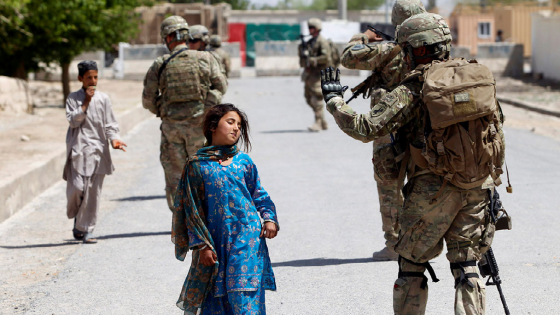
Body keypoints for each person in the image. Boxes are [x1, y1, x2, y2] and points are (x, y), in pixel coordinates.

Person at [321, 13, 505, 314]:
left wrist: (334, 102)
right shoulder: (478, 78)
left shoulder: (415, 88)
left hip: (431, 191)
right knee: (467, 266)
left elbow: (367, 128)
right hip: (477, 189)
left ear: (414, 50)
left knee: (411, 266)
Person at [172, 104, 279, 315]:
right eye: (230, 122)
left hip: (247, 241)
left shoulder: (244, 162)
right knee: (217, 304)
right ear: (213, 126)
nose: (236, 129)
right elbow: (192, 211)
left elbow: (259, 194)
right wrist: (202, 245)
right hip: (215, 245)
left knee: (245, 298)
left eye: (239, 125)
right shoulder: (197, 165)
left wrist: (269, 218)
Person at [340, 0, 426, 261]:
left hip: (388, 124)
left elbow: (347, 56)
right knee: (423, 182)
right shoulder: (434, 49)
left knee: (390, 185)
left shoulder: (388, 49)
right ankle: (424, 241)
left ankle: (394, 244)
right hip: (423, 125)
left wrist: (363, 36)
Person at [142, 16, 227, 212]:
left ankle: (183, 221)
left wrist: (164, 111)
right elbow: (220, 86)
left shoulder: (160, 64)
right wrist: (206, 109)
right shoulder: (206, 58)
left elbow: (148, 100)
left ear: (168, 37)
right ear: (186, 35)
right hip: (200, 128)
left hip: (172, 130)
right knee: (206, 173)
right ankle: (209, 218)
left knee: (176, 177)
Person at [63, 60, 127, 244]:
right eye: (89, 77)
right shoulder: (73, 98)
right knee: (77, 189)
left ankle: (86, 229)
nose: (93, 81)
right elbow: (73, 121)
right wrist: (85, 102)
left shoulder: (104, 99)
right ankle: (78, 218)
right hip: (78, 151)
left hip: (98, 152)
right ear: (80, 78)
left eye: (95, 77)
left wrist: (114, 139)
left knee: (93, 193)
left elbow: (110, 123)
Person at [298, 18, 332, 132]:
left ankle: (318, 122)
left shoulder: (322, 42)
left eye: (311, 28)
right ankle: (322, 120)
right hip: (310, 74)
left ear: (317, 29)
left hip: (319, 74)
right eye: (309, 27)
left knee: (316, 98)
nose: (309, 30)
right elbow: (303, 59)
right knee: (308, 98)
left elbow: (326, 57)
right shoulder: (310, 42)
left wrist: (312, 60)